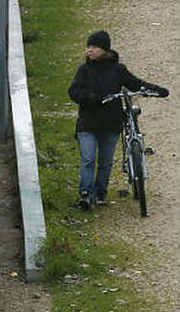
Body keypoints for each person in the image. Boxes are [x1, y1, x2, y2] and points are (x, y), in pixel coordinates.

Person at [68, 30, 169, 210]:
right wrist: (92, 97)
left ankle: (100, 193)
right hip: (88, 123)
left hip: (111, 123)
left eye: (94, 47)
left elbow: (135, 84)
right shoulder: (84, 70)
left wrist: (156, 89)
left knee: (105, 162)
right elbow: (74, 91)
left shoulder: (118, 70)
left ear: (104, 49)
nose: (89, 50)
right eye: (88, 47)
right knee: (88, 158)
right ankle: (85, 193)